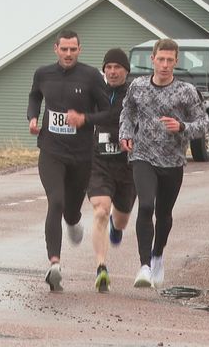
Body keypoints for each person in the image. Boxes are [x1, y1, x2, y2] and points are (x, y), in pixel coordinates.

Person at [119, 38, 208, 288]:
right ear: (152, 60)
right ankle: (144, 266)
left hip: (173, 160)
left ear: (176, 62)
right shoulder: (137, 87)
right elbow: (127, 112)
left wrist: (181, 126)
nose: (165, 65)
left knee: (164, 214)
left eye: (170, 60)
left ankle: (158, 255)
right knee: (145, 206)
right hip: (142, 156)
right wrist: (125, 133)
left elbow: (203, 125)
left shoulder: (186, 92)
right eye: (161, 59)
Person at [27, 29, 110, 292]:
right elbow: (34, 96)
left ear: (79, 50)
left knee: (71, 209)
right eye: (64, 49)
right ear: (56, 49)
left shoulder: (91, 77)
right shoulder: (43, 74)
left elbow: (108, 110)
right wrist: (32, 117)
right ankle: (55, 265)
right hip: (51, 150)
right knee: (56, 201)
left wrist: (85, 119)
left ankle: (74, 220)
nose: (68, 54)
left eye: (73, 49)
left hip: (82, 155)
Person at [66, 48, 136, 293]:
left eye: (118, 67)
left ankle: (117, 229)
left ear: (126, 70)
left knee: (121, 217)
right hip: (98, 162)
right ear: (104, 70)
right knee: (100, 211)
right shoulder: (95, 91)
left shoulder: (135, 93)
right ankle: (101, 267)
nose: (113, 71)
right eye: (109, 67)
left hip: (128, 166)